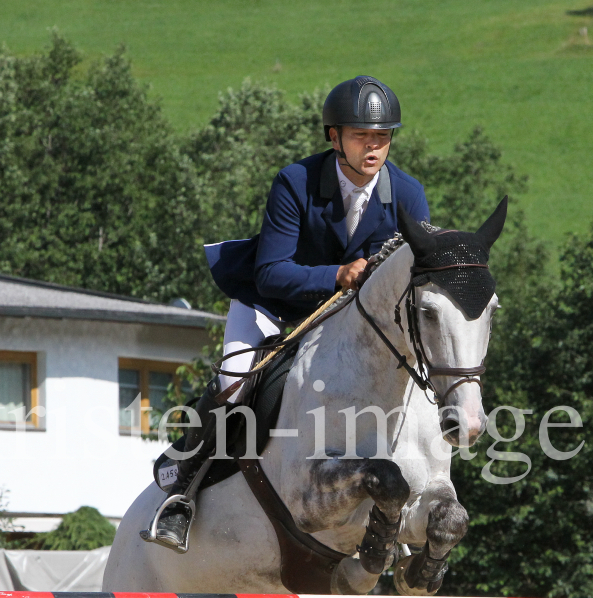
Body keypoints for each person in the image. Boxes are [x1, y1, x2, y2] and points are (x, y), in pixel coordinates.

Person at [148, 75, 430, 552]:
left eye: (382, 137)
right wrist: (338, 274)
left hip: (348, 325)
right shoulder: (295, 182)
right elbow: (272, 273)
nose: (374, 147)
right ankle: (183, 492)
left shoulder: (406, 193)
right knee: (235, 382)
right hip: (275, 306)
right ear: (334, 137)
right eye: (362, 136)